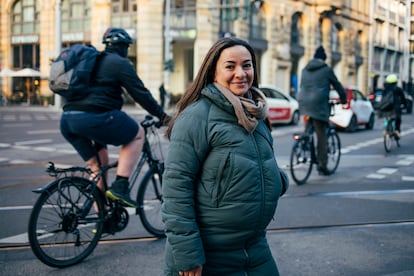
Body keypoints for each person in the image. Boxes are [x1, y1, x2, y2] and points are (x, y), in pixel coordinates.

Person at [161, 37, 289, 276]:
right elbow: (176, 189)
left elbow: (257, 162)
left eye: (247, 65)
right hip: (212, 254)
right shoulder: (197, 116)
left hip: (255, 247)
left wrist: (277, 181)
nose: (240, 73)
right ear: (214, 72)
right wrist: (188, 255)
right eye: (230, 66)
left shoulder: (255, 112)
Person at [59, 27, 170, 207]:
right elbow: (140, 94)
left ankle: (101, 218)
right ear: (124, 47)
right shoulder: (119, 63)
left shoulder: (91, 62)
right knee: (138, 134)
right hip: (96, 117)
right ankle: (121, 186)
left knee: (97, 167)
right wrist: (163, 117)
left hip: (68, 120)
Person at [297, 45, 347, 175]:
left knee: (308, 129)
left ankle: (303, 146)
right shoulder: (326, 70)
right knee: (321, 136)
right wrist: (344, 99)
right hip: (319, 105)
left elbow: (303, 86)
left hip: (304, 103)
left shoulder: (304, 69)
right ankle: (322, 165)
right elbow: (337, 85)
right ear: (323, 59)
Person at [382, 74, 407, 139]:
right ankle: (396, 131)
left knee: (387, 117)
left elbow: (383, 98)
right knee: (398, 119)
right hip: (395, 107)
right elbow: (403, 98)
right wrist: (404, 105)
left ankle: (386, 130)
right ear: (396, 82)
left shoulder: (385, 89)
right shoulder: (398, 89)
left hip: (385, 107)